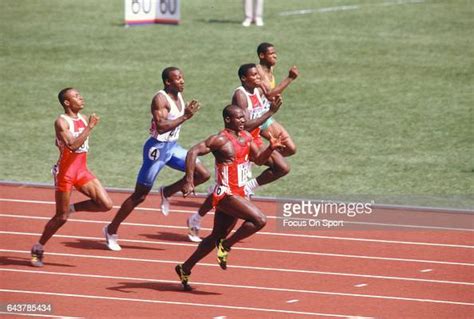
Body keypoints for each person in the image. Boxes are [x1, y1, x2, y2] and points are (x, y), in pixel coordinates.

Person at [175, 104, 284, 290]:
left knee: (215, 236)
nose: (243, 121)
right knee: (259, 220)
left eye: (244, 117)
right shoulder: (219, 140)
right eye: (239, 118)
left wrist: (271, 149)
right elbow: (193, 151)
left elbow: (258, 161)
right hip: (225, 193)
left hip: (240, 193)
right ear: (228, 119)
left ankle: (185, 267)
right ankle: (226, 245)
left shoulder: (247, 137)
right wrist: (189, 180)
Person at [103, 67, 210, 251]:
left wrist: (184, 115)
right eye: (178, 79)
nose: (182, 81)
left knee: (202, 174)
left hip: (173, 147)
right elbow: (160, 127)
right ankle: (111, 230)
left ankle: (167, 192)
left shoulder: (178, 95)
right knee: (140, 195)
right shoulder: (160, 99)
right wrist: (185, 116)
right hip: (157, 150)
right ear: (168, 82)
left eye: (182, 77)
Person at [185, 63, 289, 242]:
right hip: (239, 142)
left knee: (282, 167)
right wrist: (269, 113)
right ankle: (197, 219)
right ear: (244, 78)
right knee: (226, 190)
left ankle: (248, 187)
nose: (258, 77)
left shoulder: (258, 90)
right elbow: (245, 125)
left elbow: (270, 98)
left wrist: (289, 80)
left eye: (258, 74)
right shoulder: (240, 95)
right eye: (254, 75)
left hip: (252, 140)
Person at [30, 88, 113, 267]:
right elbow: (73, 146)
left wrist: (87, 125)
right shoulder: (61, 122)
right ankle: (38, 246)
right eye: (75, 96)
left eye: (79, 95)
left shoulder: (81, 118)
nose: (81, 98)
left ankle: (72, 208)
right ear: (67, 103)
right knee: (61, 217)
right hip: (65, 174)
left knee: (106, 204)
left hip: (81, 169)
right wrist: (90, 127)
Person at [256, 42, 299, 157]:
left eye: (275, 53)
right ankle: (256, 157)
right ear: (262, 56)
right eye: (271, 54)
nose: (275, 56)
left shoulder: (270, 68)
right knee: (281, 165)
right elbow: (269, 95)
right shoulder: (258, 71)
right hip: (254, 119)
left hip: (264, 117)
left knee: (289, 148)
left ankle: (260, 156)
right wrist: (290, 78)